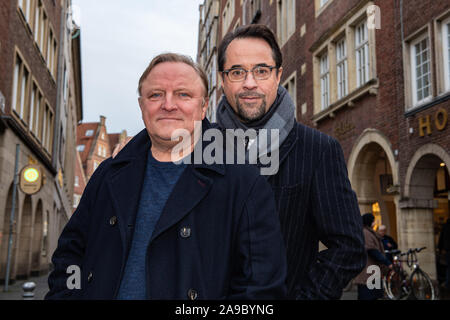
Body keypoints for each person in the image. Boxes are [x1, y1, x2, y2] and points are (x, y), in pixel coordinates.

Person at [45, 53, 287, 300]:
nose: (168, 104)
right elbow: (69, 256)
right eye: (156, 95)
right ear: (142, 106)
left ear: (203, 107)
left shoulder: (243, 184)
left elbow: (261, 288)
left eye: (183, 94)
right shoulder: (108, 176)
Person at [215, 24, 366, 299]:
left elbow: (348, 247)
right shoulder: (198, 148)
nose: (250, 83)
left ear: (278, 75)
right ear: (222, 80)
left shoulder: (318, 150)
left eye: (261, 70)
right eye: (237, 72)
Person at [354, 213, 393, 300]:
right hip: (369, 272)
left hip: (372, 271)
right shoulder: (366, 233)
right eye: (373, 221)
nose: (375, 223)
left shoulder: (368, 232)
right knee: (368, 296)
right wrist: (387, 262)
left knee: (374, 295)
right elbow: (372, 251)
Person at [438, 218, 450, 291]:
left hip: (448, 250)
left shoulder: (445, 226)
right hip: (448, 250)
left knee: (449, 267)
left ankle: (448, 284)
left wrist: (440, 249)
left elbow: (441, 238)